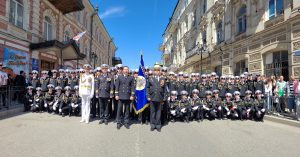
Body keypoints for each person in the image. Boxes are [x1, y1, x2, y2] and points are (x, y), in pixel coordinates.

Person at [147, 64, 166, 132]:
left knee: (158, 112)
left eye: (158, 70)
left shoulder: (163, 79)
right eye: (155, 70)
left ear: (160, 71)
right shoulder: (150, 78)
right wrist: (148, 96)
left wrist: (164, 98)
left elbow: (164, 89)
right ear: (153, 71)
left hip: (160, 98)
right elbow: (147, 88)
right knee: (152, 112)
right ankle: (152, 125)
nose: (157, 71)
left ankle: (158, 125)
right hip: (152, 98)